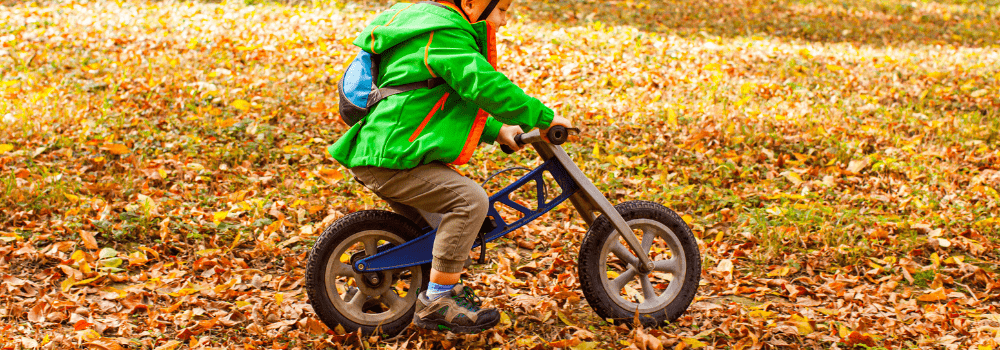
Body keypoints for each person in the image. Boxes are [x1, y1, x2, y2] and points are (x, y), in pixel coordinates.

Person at [328, 0, 573, 333]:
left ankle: (443, 287)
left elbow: (435, 99)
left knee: (447, 233)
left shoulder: (427, 30)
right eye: (501, 10)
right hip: (394, 157)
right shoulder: (443, 34)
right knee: (470, 202)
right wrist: (542, 117)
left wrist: (500, 130)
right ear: (471, 3)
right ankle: (438, 301)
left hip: (389, 151)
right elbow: (481, 84)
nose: (503, 21)